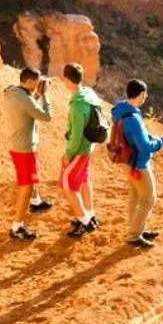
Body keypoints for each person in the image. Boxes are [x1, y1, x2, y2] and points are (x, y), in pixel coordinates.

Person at [111, 79, 163, 249]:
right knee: (148, 198)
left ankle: (135, 228)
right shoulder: (133, 119)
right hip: (139, 164)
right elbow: (144, 146)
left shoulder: (123, 110)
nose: (146, 97)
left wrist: (149, 137)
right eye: (145, 94)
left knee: (135, 197)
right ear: (141, 94)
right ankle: (134, 235)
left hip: (128, 161)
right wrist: (162, 142)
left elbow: (138, 136)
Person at [3, 67, 53, 240]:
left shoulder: (13, 92)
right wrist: (45, 95)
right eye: (37, 83)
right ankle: (17, 226)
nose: (38, 85)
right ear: (29, 81)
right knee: (27, 185)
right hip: (24, 148)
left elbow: (28, 107)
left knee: (32, 176)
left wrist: (36, 95)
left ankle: (36, 202)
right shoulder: (25, 99)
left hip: (17, 144)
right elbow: (46, 116)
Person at [59, 62, 105, 238]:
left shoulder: (77, 105)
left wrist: (68, 155)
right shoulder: (89, 94)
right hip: (90, 145)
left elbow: (76, 135)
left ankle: (85, 221)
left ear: (66, 79)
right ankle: (90, 213)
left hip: (81, 149)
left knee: (68, 185)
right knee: (85, 180)